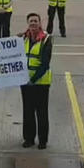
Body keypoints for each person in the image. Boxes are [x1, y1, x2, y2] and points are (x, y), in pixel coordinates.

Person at [21, 13, 53, 149]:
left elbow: (45, 63)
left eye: (35, 21)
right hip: (25, 82)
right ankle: (28, 139)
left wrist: (33, 80)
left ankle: (42, 140)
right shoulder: (23, 38)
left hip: (41, 83)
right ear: (28, 23)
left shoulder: (46, 39)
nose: (33, 23)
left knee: (41, 112)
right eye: (31, 21)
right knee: (27, 111)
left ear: (40, 23)